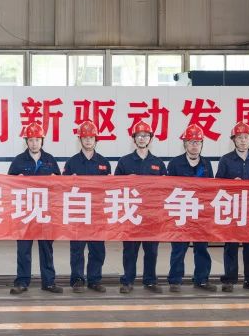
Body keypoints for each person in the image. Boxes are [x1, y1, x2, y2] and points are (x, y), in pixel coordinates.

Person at [9, 122, 62, 295]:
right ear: (26, 141)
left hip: (45, 212)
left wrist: (55, 180)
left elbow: (60, 186)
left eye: (37, 140)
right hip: (24, 213)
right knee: (23, 249)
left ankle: (49, 282)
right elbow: (8, 186)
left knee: (46, 248)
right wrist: (17, 180)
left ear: (42, 141)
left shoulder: (50, 160)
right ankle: (22, 282)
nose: (34, 143)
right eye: (31, 140)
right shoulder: (18, 161)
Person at [114, 120, 167, 294]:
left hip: (152, 216)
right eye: (139, 135)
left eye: (145, 135)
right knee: (130, 251)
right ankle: (127, 281)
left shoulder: (158, 163)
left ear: (150, 138)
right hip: (131, 213)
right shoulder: (124, 162)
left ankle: (150, 281)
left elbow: (166, 189)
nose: (142, 138)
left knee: (151, 251)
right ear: (134, 138)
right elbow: (115, 187)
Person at [215, 121, 249, 293]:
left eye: (246, 137)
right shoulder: (226, 160)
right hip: (232, 209)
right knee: (231, 246)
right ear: (234, 140)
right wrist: (231, 184)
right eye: (239, 137)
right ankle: (229, 280)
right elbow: (217, 183)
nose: (243, 140)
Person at [165, 123, 218, 292]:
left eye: (198, 142)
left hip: (201, 214)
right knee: (178, 249)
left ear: (202, 144)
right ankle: (175, 280)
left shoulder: (207, 164)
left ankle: (201, 279)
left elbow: (211, 190)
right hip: (180, 212)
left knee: (202, 248)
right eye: (191, 142)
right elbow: (167, 189)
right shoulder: (175, 164)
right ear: (185, 144)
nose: (194, 145)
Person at [61, 120, 109, 293]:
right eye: (85, 137)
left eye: (91, 137)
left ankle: (94, 280)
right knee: (77, 249)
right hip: (78, 212)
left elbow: (109, 189)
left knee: (97, 249)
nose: (88, 140)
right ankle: (77, 279)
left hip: (97, 214)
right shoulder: (71, 163)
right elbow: (63, 188)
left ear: (96, 139)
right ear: (80, 139)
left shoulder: (104, 163)